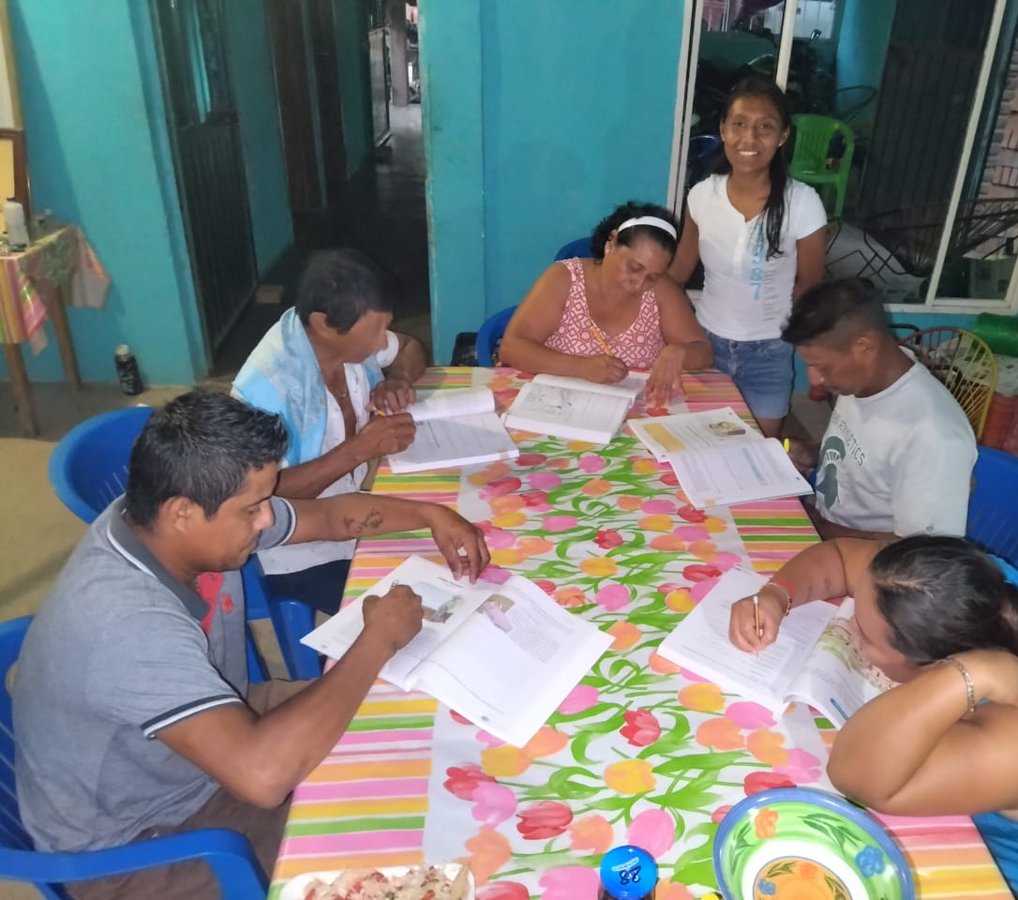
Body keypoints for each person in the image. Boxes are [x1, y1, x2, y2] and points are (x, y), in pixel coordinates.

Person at [14, 391, 489, 900]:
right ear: (182, 513)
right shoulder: (124, 623)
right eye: (253, 508)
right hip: (137, 844)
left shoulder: (167, 518)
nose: (266, 520)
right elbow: (262, 777)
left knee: (412, 726)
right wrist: (376, 640)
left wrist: (430, 514)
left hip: (206, 741)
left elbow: (329, 518)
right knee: (410, 870)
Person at [728, 536, 1018, 900]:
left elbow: (856, 774)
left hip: (1013, 883)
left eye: (864, 634)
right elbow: (844, 558)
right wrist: (777, 595)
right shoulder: (965, 591)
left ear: (935, 664)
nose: (850, 631)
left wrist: (964, 677)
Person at [233, 249, 428, 615]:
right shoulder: (268, 387)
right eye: (375, 331)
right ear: (324, 324)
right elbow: (269, 494)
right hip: (297, 549)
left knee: (450, 541)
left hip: (350, 511)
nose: (380, 341)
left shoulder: (348, 343)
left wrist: (397, 378)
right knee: (417, 609)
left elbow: (411, 348)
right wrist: (360, 449)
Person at [669, 77, 827, 438]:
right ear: (723, 129)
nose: (749, 138)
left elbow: (809, 289)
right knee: (702, 443)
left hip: (769, 352)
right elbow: (677, 273)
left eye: (765, 127)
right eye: (738, 124)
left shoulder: (803, 204)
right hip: (705, 345)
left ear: (783, 136)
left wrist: (813, 350)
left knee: (756, 450)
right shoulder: (701, 196)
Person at [782, 278, 977, 540]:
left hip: (867, 563)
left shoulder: (933, 436)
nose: (815, 380)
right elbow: (868, 455)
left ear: (864, 345)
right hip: (825, 523)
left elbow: (921, 554)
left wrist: (820, 528)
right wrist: (814, 452)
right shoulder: (864, 380)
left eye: (822, 367)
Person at [498, 201, 712, 406]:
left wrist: (679, 353)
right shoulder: (565, 279)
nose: (639, 284)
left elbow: (703, 352)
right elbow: (512, 347)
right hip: (557, 406)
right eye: (634, 268)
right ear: (611, 243)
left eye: (652, 277)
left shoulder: (662, 291)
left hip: (632, 412)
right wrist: (581, 367)